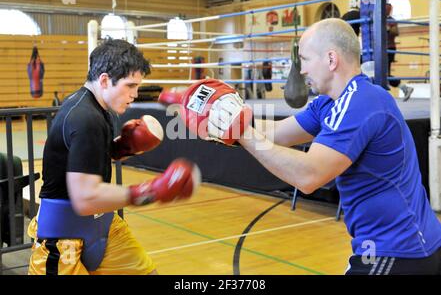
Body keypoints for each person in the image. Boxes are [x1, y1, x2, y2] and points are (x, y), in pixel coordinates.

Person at [159, 18, 441, 275]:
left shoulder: (361, 103)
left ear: (331, 59)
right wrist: (225, 122)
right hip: (389, 247)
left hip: (401, 253)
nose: (302, 69)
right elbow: (277, 134)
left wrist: (240, 131)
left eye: (305, 59)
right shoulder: (330, 103)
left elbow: (309, 176)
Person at [27, 39, 201, 275]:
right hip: (62, 234)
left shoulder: (99, 110)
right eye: (130, 86)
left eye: (137, 86)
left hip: (102, 224)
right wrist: (150, 191)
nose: (135, 94)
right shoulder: (85, 117)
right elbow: (85, 198)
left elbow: (86, 161)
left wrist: (121, 148)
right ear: (105, 80)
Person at [386, 3, 413, 101]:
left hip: (388, 48)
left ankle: (404, 88)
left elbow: (396, 32)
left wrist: (388, 29)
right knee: (384, 73)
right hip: (382, 48)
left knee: (384, 73)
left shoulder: (391, 20)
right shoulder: (380, 18)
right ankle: (404, 88)